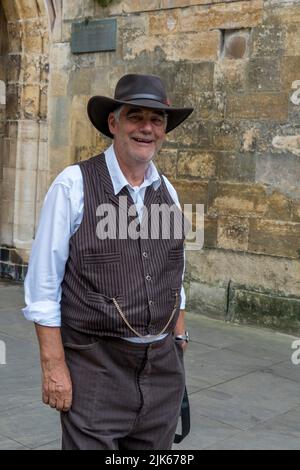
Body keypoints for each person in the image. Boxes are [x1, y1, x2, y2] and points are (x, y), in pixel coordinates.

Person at [23, 74, 194, 450]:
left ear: (164, 129)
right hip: (96, 367)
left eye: (157, 120)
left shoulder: (169, 192)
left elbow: (175, 276)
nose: (147, 128)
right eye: (136, 117)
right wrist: (54, 367)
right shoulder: (73, 185)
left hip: (162, 369)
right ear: (114, 123)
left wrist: (178, 343)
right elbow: (43, 287)